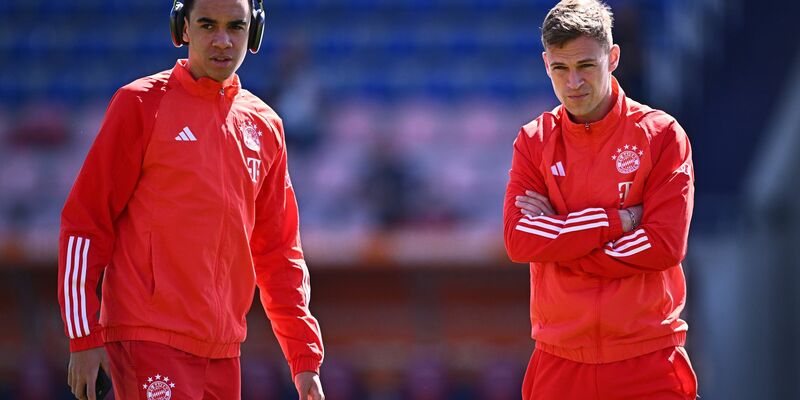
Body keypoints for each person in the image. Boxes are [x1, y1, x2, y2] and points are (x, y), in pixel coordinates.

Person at [57, 0, 325, 398]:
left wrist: (304, 360)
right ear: (183, 28)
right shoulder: (140, 104)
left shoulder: (266, 126)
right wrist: (83, 336)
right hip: (148, 342)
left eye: (236, 26)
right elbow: (85, 223)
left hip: (224, 353)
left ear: (254, 32)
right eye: (207, 25)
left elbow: (280, 252)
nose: (222, 40)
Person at [502, 1, 697, 399]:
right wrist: (619, 221)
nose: (573, 82)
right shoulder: (534, 140)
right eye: (560, 68)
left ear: (614, 58)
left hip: (647, 360)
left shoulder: (661, 135)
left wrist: (561, 246)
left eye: (586, 65)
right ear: (546, 64)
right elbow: (519, 240)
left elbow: (664, 244)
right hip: (559, 362)